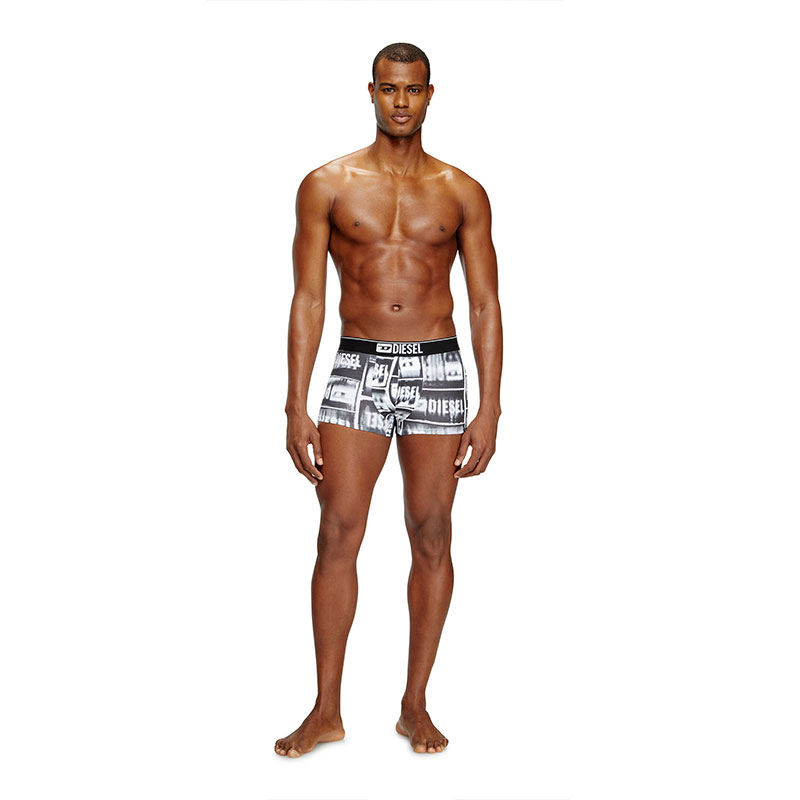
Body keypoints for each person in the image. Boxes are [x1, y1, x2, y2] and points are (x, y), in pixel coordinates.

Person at [275, 42, 503, 758]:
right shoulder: (327, 184)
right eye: (388, 88)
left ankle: (414, 704)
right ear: (370, 92)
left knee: (432, 531)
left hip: (437, 367)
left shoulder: (461, 192)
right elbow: (308, 298)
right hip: (358, 367)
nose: (400, 101)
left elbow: (485, 304)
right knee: (336, 532)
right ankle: (325, 709)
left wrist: (491, 406)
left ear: (430, 94)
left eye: (412, 89)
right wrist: (295, 403)